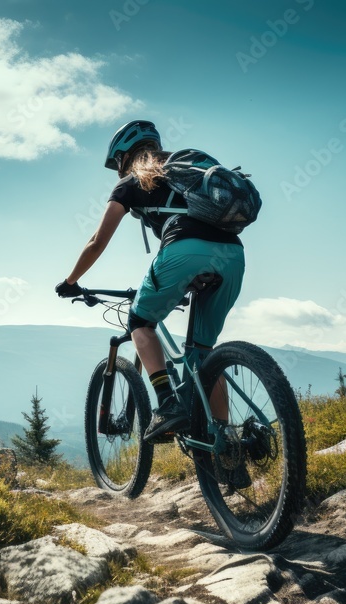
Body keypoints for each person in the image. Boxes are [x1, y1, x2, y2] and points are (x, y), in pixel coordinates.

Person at [56, 119, 246, 444]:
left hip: (183, 250)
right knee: (204, 355)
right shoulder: (190, 168)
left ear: (122, 158)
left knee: (140, 323)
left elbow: (97, 241)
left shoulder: (131, 181)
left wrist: (71, 281)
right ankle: (228, 444)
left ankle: (168, 404)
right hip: (232, 255)